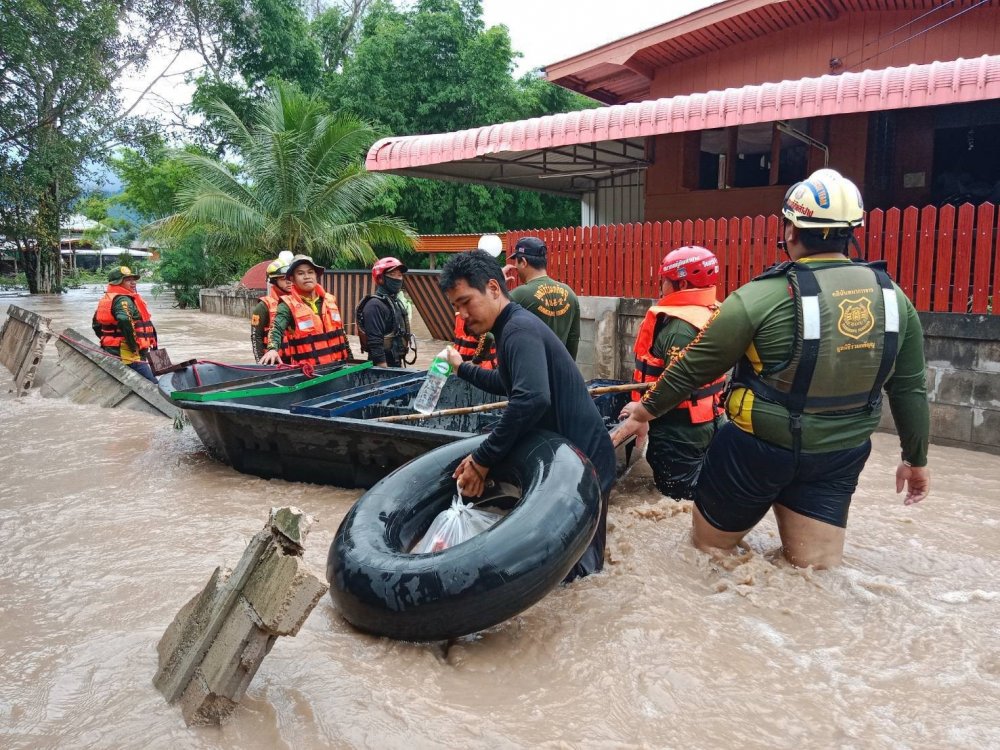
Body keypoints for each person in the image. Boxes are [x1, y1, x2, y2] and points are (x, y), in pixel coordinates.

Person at [616, 168, 931, 569]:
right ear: (852, 232)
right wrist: (915, 460)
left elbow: (692, 368)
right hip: (839, 456)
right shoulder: (895, 300)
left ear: (790, 231)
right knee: (813, 571)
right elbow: (909, 389)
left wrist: (643, 411)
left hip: (756, 452)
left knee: (707, 554)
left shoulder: (761, 296)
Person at [440, 250, 616, 581]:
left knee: (581, 571)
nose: (462, 314)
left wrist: (482, 459)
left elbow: (531, 399)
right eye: (456, 307)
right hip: (573, 454)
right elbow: (508, 384)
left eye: (466, 302)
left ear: (493, 288)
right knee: (569, 564)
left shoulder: (518, 330)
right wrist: (463, 369)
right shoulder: (511, 328)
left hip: (584, 462)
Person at [631, 246, 726, 500]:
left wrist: (639, 414)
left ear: (681, 282)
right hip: (711, 422)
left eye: (664, 281)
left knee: (677, 499)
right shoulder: (714, 313)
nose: (661, 287)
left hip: (681, 434)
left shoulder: (680, 330)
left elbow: (675, 385)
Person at [260, 254, 352, 367]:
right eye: (300, 273)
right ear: (292, 279)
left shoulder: (330, 300)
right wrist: (272, 349)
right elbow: (276, 329)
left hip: (339, 367)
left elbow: (341, 334)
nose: (307, 276)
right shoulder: (287, 305)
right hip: (309, 373)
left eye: (310, 272)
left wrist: (351, 360)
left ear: (316, 275)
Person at [507, 237, 581, 360]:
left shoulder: (519, 295)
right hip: (559, 371)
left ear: (524, 262)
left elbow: (488, 334)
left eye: (516, 262)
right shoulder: (570, 294)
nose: (515, 267)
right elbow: (573, 339)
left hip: (529, 372)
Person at [92, 265, 159, 382]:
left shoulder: (111, 298)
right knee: (153, 384)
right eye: (128, 280)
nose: (133, 283)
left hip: (121, 351)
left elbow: (96, 325)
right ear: (117, 283)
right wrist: (133, 346)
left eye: (133, 280)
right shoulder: (122, 300)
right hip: (128, 354)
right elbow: (124, 319)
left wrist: (109, 341)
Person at [357, 256, 414, 368]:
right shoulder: (374, 305)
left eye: (399, 275)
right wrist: (383, 369)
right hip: (382, 366)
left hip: (396, 362)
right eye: (392, 275)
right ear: (380, 279)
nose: (397, 279)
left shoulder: (395, 302)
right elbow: (375, 343)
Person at [250, 255, 294, 363]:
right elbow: (256, 337)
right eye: (283, 278)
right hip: (274, 361)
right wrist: (260, 363)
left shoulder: (299, 303)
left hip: (296, 361)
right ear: (274, 281)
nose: (289, 282)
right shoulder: (263, 306)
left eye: (290, 278)